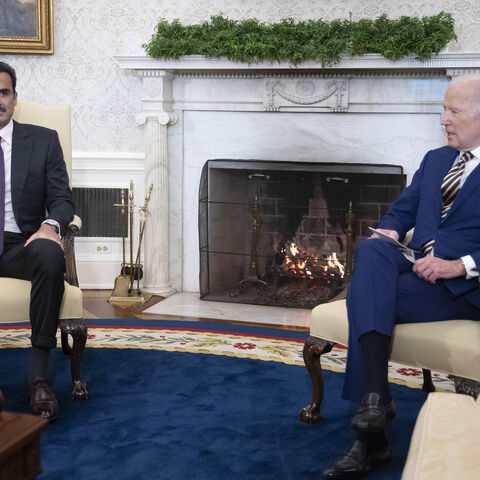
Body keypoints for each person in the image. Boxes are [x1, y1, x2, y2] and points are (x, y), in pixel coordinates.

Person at [322, 73, 480, 479]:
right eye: (443, 109)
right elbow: (401, 210)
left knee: (365, 298)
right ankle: (378, 395)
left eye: (453, 111)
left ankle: (371, 437)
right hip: (415, 266)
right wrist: (391, 229)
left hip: (464, 287)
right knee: (372, 247)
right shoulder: (436, 159)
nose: (443, 119)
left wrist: (460, 265)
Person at [0, 61, 74, 422]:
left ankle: (39, 378)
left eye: (3, 92)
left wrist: (49, 226)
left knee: (49, 253)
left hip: (22, 244)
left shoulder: (43, 141)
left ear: (15, 98)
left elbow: (62, 199)